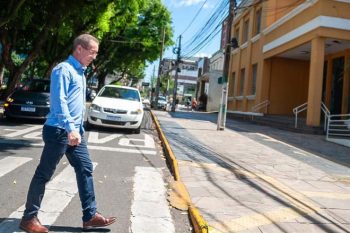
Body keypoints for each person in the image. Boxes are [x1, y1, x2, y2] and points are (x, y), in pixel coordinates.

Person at [19, 34, 116, 233]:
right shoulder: (64, 69)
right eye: (92, 52)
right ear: (79, 49)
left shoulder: (80, 72)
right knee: (43, 174)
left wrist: (76, 129)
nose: (94, 57)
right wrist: (70, 127)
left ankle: (89, 216)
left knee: (85, 168)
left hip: (74, 132)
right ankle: (28, 219)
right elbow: (59, 101)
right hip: (60, 130)